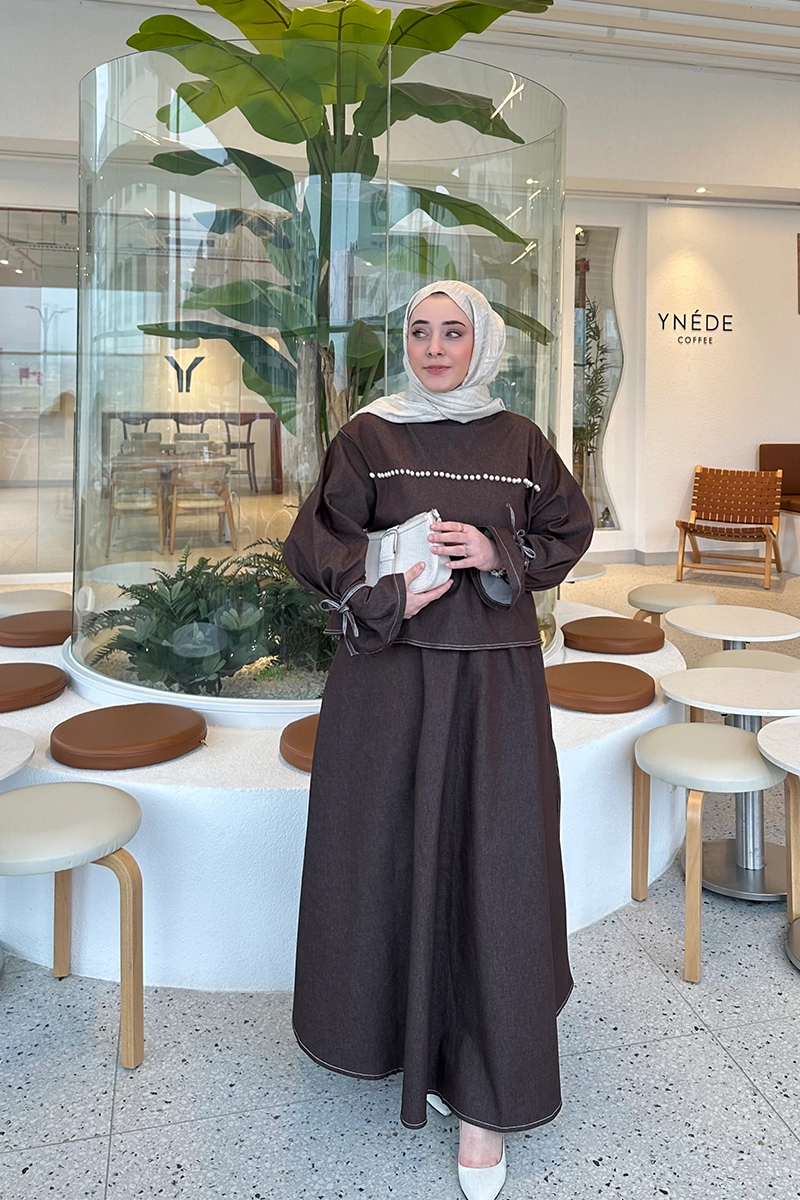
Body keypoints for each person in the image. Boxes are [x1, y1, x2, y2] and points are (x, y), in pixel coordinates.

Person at [282, 280, 593, 1200]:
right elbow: (315, 544)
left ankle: (487, 1100)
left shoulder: (520, 440)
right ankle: (399, 1038)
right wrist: (385, 585)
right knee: (383, 856)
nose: (434, 347)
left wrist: (500, 552)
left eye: (453, 332)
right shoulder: (370, 436)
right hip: (388, 682)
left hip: (496, 684)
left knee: (495, 868)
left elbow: (567, 528)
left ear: (480, 342)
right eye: (419, 331)